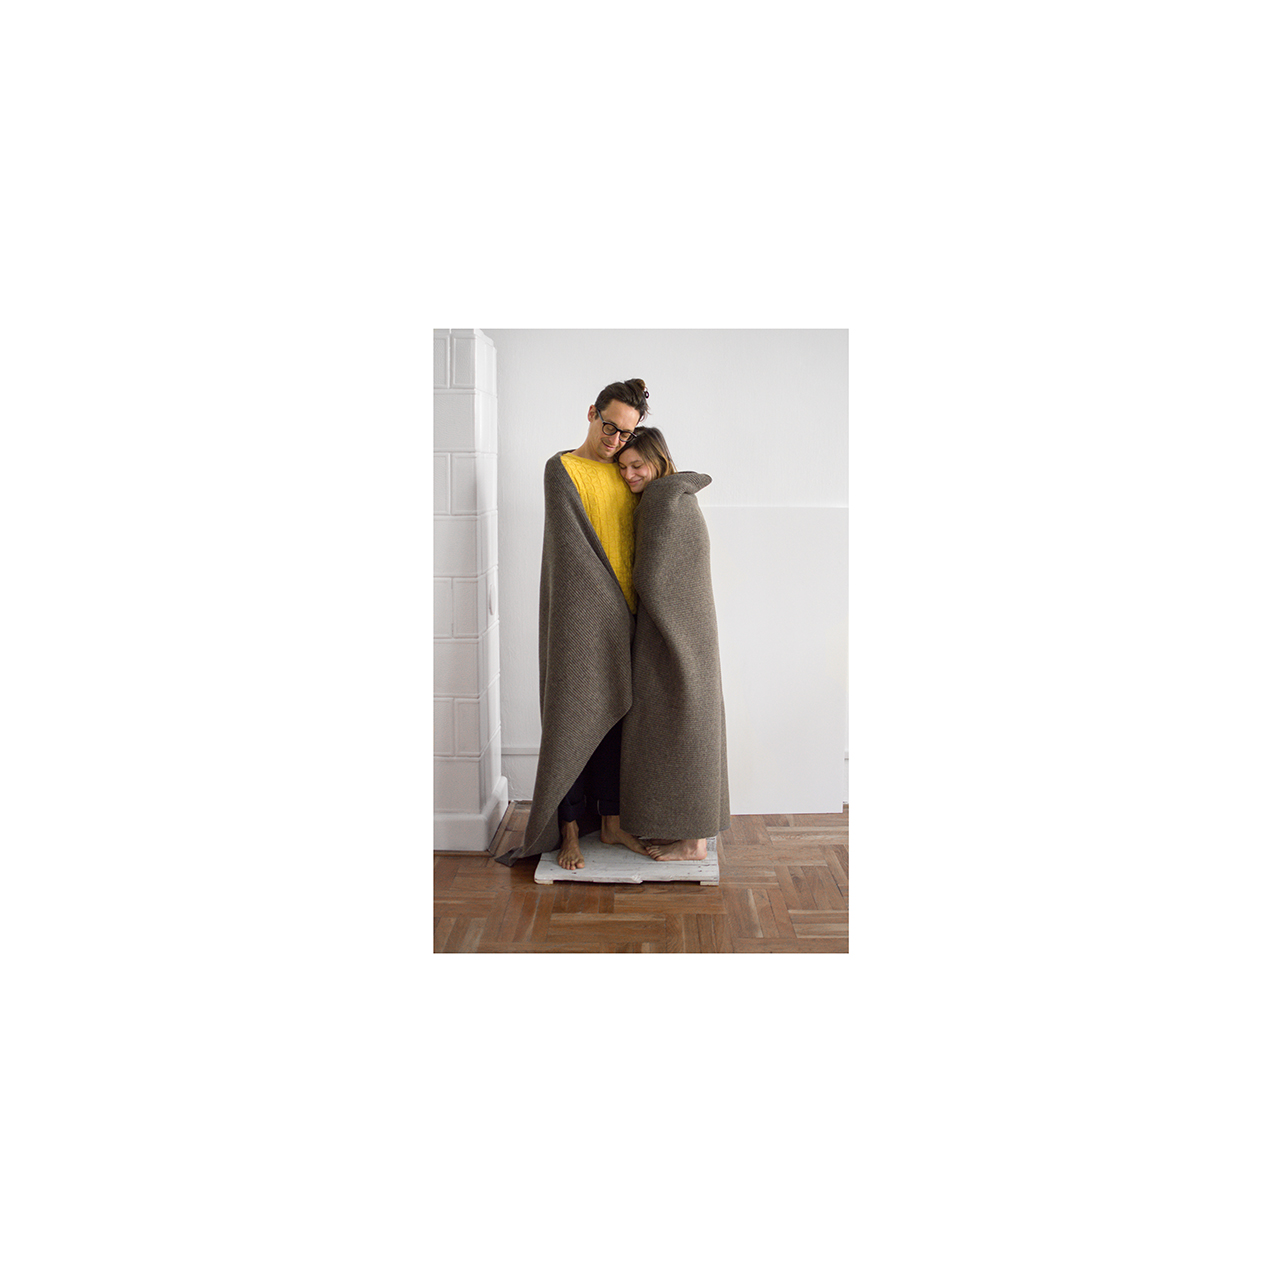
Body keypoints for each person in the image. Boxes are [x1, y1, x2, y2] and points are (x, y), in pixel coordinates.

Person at [493, 379, 652, 870]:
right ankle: (567, 831)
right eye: (609, 426)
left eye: (626, 433)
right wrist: (606, 606)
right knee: (571, 719)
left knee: (617, 723)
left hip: (628, 615)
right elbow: (572, 554)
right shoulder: (562, 468)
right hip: (580, 618)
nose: (615, 440)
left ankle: (612, 822)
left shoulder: (626, 472)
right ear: (591, 413)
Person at [614, 427, 731, 861]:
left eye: (636, 465)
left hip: (670, 632)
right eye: (622, 468)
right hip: (691, 629)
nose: (628, 475)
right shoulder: (680, 496)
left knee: (679, 730)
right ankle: (685, 830)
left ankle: (693, 843)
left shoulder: (661, 501)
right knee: (688, 727)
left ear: (658, 460)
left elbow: (651, 574)